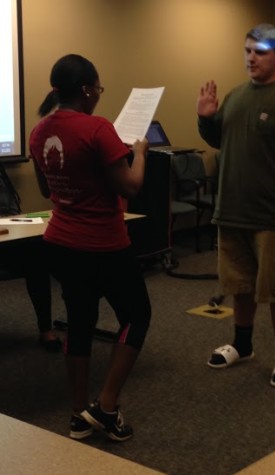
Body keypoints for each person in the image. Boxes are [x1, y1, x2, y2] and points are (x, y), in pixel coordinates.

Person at [29, 53, 151, 440]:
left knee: (80, 323)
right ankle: (107, 405)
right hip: (104, 244)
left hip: (61, 243)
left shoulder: (38, 131)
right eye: (97, 89)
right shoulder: (98, 129)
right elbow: (130, 186)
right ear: (85, 90)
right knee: (137, 315)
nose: (99, 95)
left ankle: (79, 415)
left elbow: (47, 189)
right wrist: (141, 154)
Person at [197, 23, 275, 387]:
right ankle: (242, 345)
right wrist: (205, 117)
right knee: (241, 285)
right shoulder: (236, 96)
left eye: (260, 51)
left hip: (274, 215)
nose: (251, 58)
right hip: (234, 211)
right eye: (247, 50)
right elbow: (221, 139)